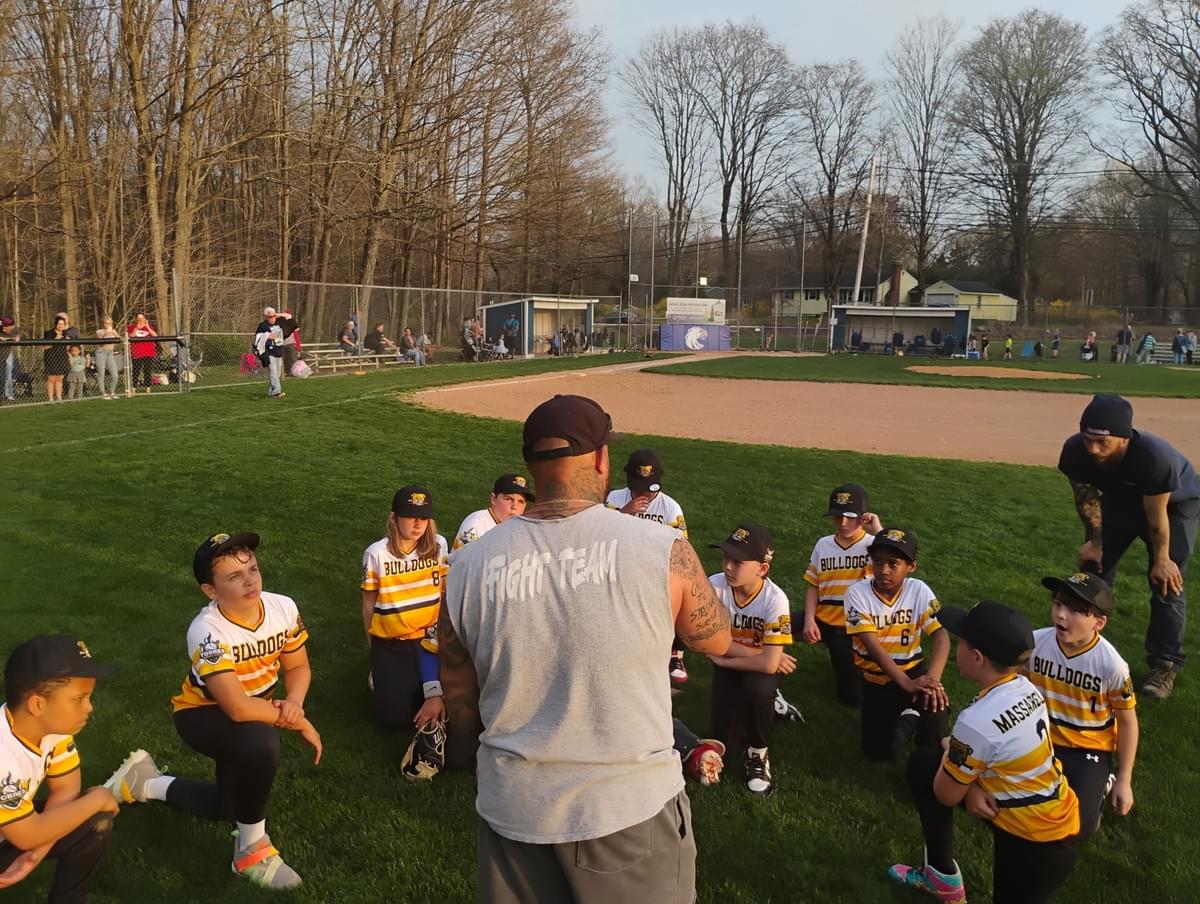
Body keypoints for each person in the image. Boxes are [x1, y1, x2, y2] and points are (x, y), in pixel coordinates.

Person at [439, 393, 732, 903]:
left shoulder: (465, 567)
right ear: (602, 460)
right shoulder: (663, 550)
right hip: (626, 808)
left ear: (531, 467)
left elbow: (457, 686)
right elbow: (717, 639)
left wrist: (471, 751)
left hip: (513, 805)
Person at [103, 532, 321, 889]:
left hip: (253, 708)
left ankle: (144, 783)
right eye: (233, 577)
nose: (249, 580)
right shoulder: (207, 631)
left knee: (230, 808)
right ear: (210, 590)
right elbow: (235, 708)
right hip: (202, 713)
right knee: (260, 743)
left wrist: (294, 705)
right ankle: (251, 853)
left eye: (252, 568)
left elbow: (297, 667)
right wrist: (296, 722)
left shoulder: (283, 607)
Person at [889, 600, 1080, 904]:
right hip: (1051, 820)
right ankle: (941, 878)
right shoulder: (1027, 687)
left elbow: (946, 794)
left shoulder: (976, 721)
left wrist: (965, 786)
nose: (956, 647)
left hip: (1033, 840)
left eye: (961, 642)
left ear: (976, 657)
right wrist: (970, 782)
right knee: (924, 763)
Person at [1058, 394, 1199, 699]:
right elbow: (1087, 500)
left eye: (1102, 442)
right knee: (1092, 569)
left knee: (1166, 580)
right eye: (1087, 439)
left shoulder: (1153, 458)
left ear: (1124, 438)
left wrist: (1162, 559)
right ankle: (1083, 644)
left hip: (1174, 507)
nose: (1093, 449)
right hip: (1121, 501)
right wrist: (1094, 542)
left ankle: (1165, 665)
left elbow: (1157, 520)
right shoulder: (1074, 451)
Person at [0, 635, 121, 903]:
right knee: (93, 807)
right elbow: (27, 833)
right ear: (37, 705)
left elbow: (66, 789)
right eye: (79, 698)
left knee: (95, 823)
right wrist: (99, 797)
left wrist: (35, 854)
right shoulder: (3, 756)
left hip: (12, 830)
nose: (89, 707)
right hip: (15, 831)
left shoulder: (52, 729)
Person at [1027, 571, 1138, 839]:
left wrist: (1124, 780)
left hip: (1087, 747)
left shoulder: (1112, 666)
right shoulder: (1033, 644)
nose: (1061, 615)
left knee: (1078, 828)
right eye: (1058, 604)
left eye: (1075, 610)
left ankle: (1104, 783)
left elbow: (1127, 721)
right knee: (1019, 808)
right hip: (1039, 738)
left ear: (1099, 623)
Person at [360, 486, 449, 779]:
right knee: (391, 720)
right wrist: (372, 646)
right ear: (394, 517)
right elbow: (369, 603)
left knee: (441, 703)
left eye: (423, 518)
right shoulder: (377, 554)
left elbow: (444, 591)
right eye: (410, 517)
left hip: (429, 639)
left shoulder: (438, 545)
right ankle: (381, 679)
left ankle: (423, 693)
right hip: (392, 642)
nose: (417, 524)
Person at [843, 528, 949, 762]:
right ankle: (908, 716)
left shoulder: (918, 589)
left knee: (936, 712)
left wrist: (932, 681)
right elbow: (872, 646)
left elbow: (941, 637)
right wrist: (905, 684)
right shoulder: (856, 593)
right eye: (878, 561)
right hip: (877, 678)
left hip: (913, 669)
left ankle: (926, 753)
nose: (883, 570)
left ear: (911, 566)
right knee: (878, 754)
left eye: (893, 563)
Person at [706, 522, 795, 794]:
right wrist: (768, 654)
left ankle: (758, 753)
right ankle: (773, 704)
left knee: (757, 689)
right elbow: (708, 639)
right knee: (723, 741)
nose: (728, 567)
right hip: (752, 658)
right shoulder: (714, 586)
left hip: (750, 668)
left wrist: (724, 659)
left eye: (738, 562)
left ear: (762, 569)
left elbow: (768, 666)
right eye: (726, 558)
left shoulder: (775, 600)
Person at [605, 449, 690, 682]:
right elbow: (601, 535)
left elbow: (681, 549)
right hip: (620, 564)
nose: (644, 495)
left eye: (649, 489)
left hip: (656, 568)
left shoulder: (670, 508)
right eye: (638, 488)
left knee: (681, 593)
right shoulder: (615, 499)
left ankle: (676, 653)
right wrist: (626, 512)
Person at [801, 484, 881, 706]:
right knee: (778, 627)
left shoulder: (873, 545)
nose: (843, 523)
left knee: (851, 697)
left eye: (850, 517)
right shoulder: (823, 544)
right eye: (837, 516)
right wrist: (808, 619)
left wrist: (877, 530)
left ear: (863, 516)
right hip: (822, 618)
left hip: (853, 627)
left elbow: (895, 558)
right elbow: (813, 585)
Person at [451, 473, 535, 551]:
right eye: (509, 499)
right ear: (493, 499)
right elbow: (464, 564)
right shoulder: (476, 525)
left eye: (521, 501)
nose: (515, 506)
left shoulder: (523, 528)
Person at [253, 307, 287, 398]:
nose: (272, 318)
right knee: (273, 372)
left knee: (277, 374)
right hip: (269, 352)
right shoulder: (263, 325)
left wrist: (277, 314)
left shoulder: (279, 322)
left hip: (279, 351)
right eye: (270, 317)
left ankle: (271, 391)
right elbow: (257, 338)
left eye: (274, 316)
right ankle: (276, 392)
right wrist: (267, 336)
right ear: (266, 317)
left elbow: (288, 316)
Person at [42, 315, 72, 403]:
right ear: (55, 324)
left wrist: (68, 342)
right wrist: (55, 340)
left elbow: (67, 348)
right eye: (59, 324)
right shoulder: (49, 333)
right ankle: (51, 399)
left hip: (62, 358)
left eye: (63, 324)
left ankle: (59, 398)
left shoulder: (65, 333)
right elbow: (45, 347)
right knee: (51, 379)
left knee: (60, 379)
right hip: (51, 358)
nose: (61, 326)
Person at [126, 313, 157, 394]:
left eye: (142, 318)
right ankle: (134, 388)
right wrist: (136, 328)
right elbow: (131, 336)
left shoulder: (148, 327)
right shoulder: (131, 327)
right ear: (136, 319)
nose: (140, 320)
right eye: (139, 318)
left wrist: (147, 326)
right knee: (136, 371)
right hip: (137, 353)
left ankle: (148, 388)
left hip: (148, 352)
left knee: (147, 371)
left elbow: (155, 335)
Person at [94, 318, 121, 400]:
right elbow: (100, 343)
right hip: (100, 352)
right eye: (106, 323)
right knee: (101, 373)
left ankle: (111, 391)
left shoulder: (113, 331)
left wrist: (115, 334)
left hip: (110, 353)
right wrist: (106, 334)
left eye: (109, 323)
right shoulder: (99, 331)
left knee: (115, 375)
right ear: (103, 323)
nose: (107, 325)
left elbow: (119, 339)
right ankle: (103, 393)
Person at [1, 316, 21, 401]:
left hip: (7, 353)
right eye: (4, 328)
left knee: (8, 373)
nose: (6, 331)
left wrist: (16, 338)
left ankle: (9, 394)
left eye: (8, 329)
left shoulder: (14, 328)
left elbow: (18, 336)